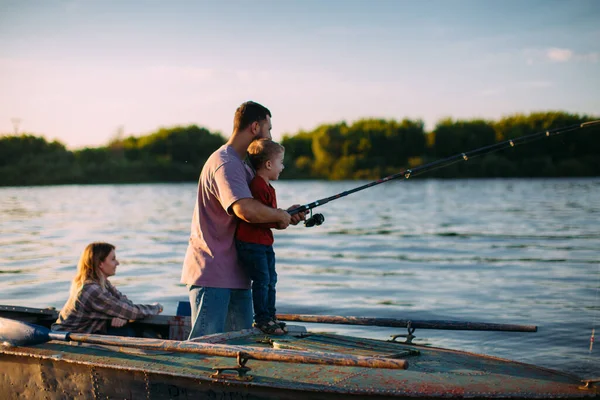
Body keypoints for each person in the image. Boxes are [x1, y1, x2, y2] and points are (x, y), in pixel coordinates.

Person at [181, 101, 305, 339]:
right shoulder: (226, 163)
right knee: (205, 350)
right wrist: (279, 215)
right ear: (255, 127)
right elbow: (245, 210)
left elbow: (256, 213)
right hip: (214, 273)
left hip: (238, 273)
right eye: (268, 129)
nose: (270, 135)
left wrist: (285, 214)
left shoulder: (244, 167)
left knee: (241, 349)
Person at [52, 242, 163, 335]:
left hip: (84, 333)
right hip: (65, 339)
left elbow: (126, 304)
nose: (117, 263)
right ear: (100, 263)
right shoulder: (91, 289)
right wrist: (157, 307)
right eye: (113, 259)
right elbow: (131, 312)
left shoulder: (102, 283)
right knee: (128, 333)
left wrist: (123, 316)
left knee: (128, 330)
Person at [236, 139, 287, 335]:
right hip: (252, 243)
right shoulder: (257, 185)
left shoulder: (268, 187)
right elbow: (260, 217)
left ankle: (270, 316)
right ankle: (262, 319)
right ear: (268, 164)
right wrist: (281, 219)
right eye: (280, 162)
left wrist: (287, 215)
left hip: (264, 242)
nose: (282, 167)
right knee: (262, 280)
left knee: (271, 279)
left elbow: (271, 214)